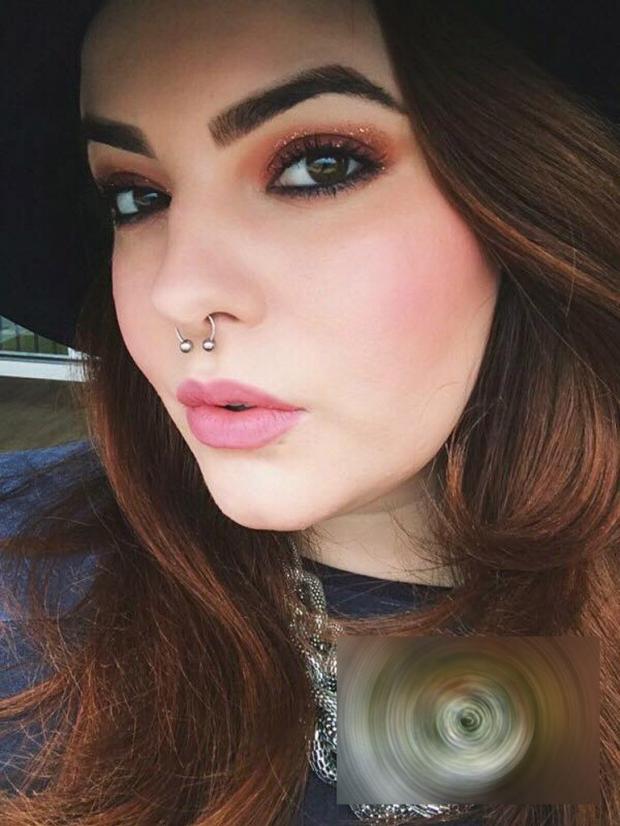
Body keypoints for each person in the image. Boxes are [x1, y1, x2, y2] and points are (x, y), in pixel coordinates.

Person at [1, 1, 618, 824]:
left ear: (528, 202)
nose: (179, 291)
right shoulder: (27, 584)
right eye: (136, 197)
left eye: (319, 167)